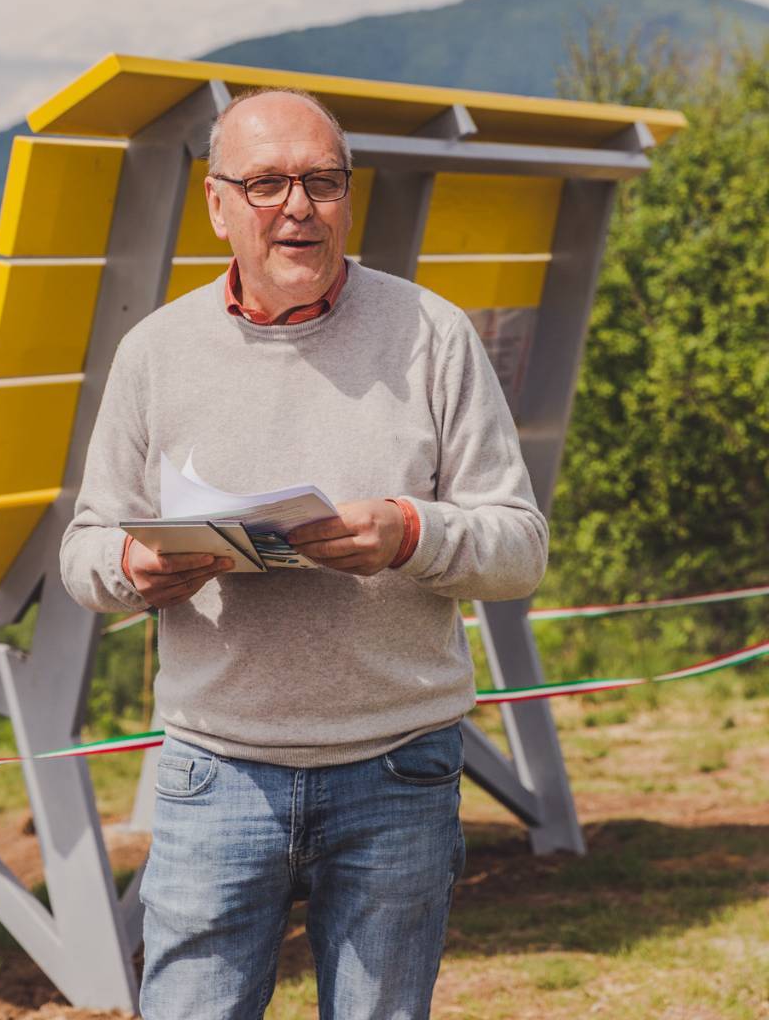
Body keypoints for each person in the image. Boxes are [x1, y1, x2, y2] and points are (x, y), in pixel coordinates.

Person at [60, 87, 548, 1020]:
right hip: (214, 770)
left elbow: (519, 547)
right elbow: (86, 550)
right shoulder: (156, 353)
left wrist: (413, 534)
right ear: (217, 206)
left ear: (348, 200)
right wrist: (139, 569)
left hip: (399, 766)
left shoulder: (434, 335)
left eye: (323, 182)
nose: (298, 207)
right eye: (269, 183)